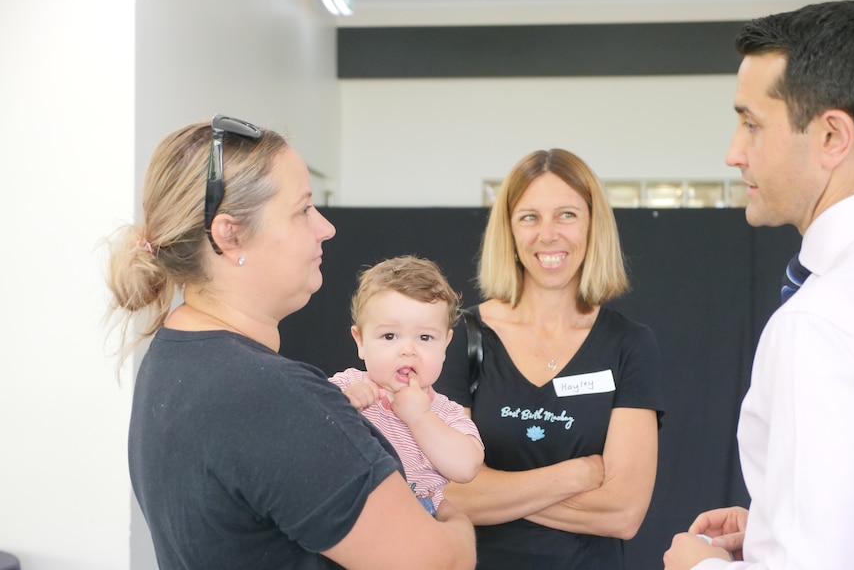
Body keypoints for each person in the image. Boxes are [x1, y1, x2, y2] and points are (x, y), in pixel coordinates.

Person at [105, 114, 476, 570]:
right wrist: (456, 522)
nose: (326, 227)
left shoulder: (174, 352)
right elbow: (438, 563)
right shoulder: (270, 396)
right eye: (303, 210)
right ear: (230, 234)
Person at [663, 1, 854, 570]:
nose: (734, 152)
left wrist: (696, 567)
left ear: (831, 137)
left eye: (751, 123)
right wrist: (777, 520)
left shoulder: (817, 322)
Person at [435, 148, 664, 569]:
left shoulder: (629, 345)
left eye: (567, 215)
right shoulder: (462, 337)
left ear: (593, 225)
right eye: (529, 217)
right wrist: (573, 476)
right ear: (509, 230)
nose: (548, 234)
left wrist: (493, 492)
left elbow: (624, 512)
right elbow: (446, 491)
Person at [329, 255, 485, 517]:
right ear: (361, 341)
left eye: (425, 337)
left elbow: (466, 468)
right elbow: (306, 429)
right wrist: (342, 404)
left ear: (446, 344)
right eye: (389, 336)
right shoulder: (346, 385)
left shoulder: (445, 413)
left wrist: (419, 417)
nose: (408, 350)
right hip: (352, 511)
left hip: (419, 515)